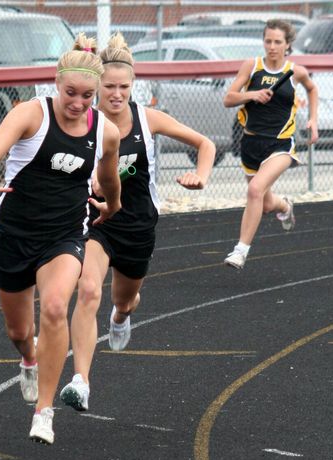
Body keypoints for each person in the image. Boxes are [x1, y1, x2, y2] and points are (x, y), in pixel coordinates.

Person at [0, 34, 121, 444]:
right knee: (19, 332)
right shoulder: (30, 115)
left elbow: (110, 178)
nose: (78, 103)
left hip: (64, 235)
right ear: (56, 83)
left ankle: (44, 412)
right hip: (14, 236)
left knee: (55, 307)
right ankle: (29, 359)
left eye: (87, 96)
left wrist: (112, 205)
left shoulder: (105, 132)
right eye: (71, 93)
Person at [59, 32, 216, 412]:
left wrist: (201, 176)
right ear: (97, 86)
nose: (116, 94)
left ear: (133, 86)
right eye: (109, 87)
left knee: (124, 300)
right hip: (96, 221)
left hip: (138, 225)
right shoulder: (84, 121)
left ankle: (120, 317)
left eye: (123, 87)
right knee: (88, 290)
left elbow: (205, 144)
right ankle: (81, 382)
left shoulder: (147, 119)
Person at [223, 18, 318, 270]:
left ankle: (240, 251)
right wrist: (252, 94)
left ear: (288, 44)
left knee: (255, 190)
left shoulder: (295, 72)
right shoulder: (252, 66)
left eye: (277, 42)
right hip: (251, 143)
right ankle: (285, 205)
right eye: (268, 41)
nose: (272, 47)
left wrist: (313, 120)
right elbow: (228, 98)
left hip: (280, 145)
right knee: (264, 203)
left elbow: (312, 89)